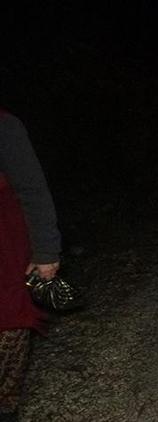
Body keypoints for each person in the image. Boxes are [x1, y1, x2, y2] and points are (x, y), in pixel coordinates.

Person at [0, 110, 61, 422]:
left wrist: (46, 251)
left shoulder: (5, 127)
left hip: (6, 258)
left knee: (8, 334)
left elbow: (33, 190)